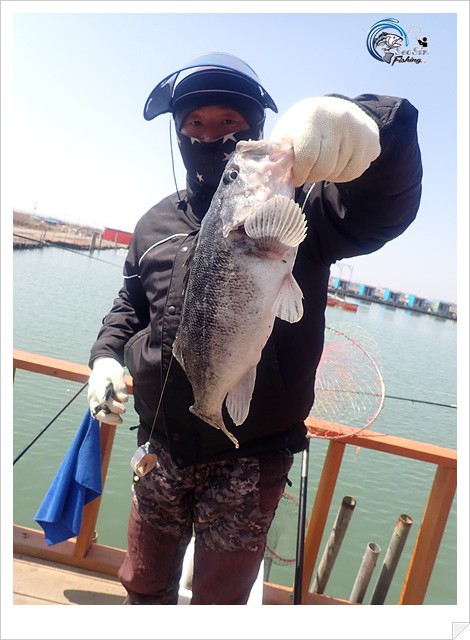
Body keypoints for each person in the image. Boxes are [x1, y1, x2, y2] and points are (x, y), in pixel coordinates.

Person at [87, 52, 422, 605]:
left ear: (257, 130)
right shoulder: (154, 223)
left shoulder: (304, 213)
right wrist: (105, 356)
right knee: (142, 582)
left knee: (221, 600)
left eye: (229, 122)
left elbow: (385, 204)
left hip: (252, 453)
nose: (209, 135)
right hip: (160, 443)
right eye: (194, 123)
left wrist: (371, 124)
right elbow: (130, 303)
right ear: (177, 133)